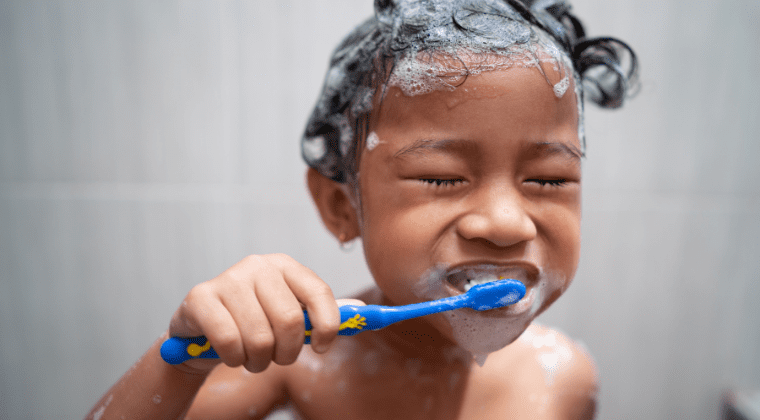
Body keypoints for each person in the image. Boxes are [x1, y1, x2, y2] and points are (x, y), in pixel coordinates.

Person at [87, 0, 637, 418]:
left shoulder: (563, 380)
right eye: (442, 177)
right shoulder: (305, 363)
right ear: (341, 207)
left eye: (549, 178)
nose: (504, 222)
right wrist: (183, 364)